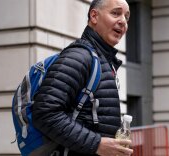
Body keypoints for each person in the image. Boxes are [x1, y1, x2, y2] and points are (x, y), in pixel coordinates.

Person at [32, 0, 133, 155]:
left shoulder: (102, 60)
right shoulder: (79, 56)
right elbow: (45, 113)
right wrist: (97, 144)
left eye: (126, 17)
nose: (123, 21)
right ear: (94, 16)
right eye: (115, 13)